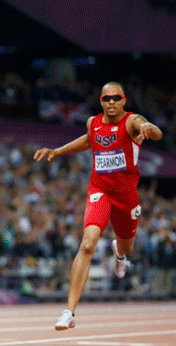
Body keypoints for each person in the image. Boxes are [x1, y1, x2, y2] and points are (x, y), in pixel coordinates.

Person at [34, 82, 162, 330]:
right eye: (107, 99)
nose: (112, 102)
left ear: (123, 100)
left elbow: (153, 131)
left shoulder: (132, 121)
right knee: (88, 243)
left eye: (116, 98)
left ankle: (119, 253)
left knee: (127, 246)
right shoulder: (93, 122)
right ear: (101, 101)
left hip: (126, 197)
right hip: (99, 191)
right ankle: (69, 312)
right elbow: (87, 140)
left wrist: (149, 127)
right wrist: (58, 152)